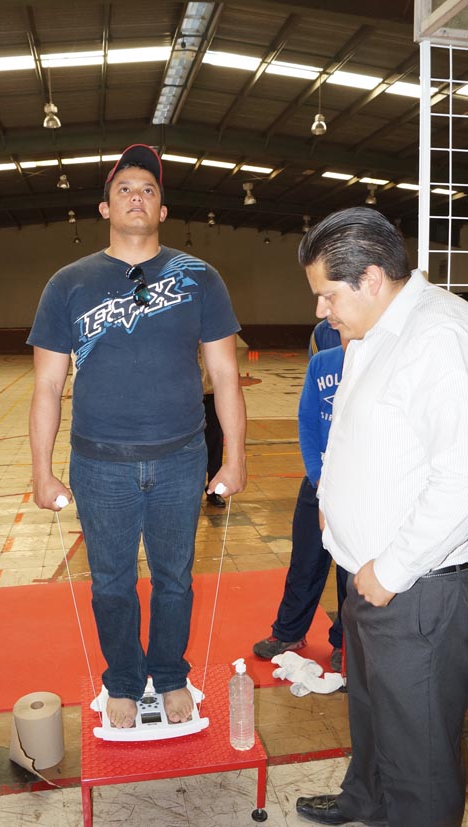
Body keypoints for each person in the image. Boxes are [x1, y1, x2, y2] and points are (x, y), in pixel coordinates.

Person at [28, 144, 246, 729]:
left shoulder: (199, 278)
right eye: (125, 188)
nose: (136, 197)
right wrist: (41, 471)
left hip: (181, 459)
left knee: (175, 578)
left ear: (163, 209)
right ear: (104, 207)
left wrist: (237, 457)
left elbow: (224, 373)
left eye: (148, 189)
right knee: (111, 584)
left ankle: (171, 675)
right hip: (100, 465)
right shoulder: (68, 284)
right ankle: (123, 680)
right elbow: (48, 385)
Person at [294, 207, 468, 827]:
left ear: (370, 279)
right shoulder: (375, 331)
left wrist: (391, 569)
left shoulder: (439, 337)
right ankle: (363, 798)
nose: (321, 310)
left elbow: (461, 479)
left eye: (327, 294)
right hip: (367, 574)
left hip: (411, 585)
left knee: (417, 751)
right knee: (371, 711)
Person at [252, 330, 347, 671]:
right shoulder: (322, 356)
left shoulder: (381, 357)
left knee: (350, 569)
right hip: (319, 481)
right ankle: (289, 632)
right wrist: (317, 474)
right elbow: (307, 420)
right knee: (305, 559)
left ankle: (346, 641)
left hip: (359, 485)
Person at [199, 346, 226, 507]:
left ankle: (214, 489)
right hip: (187, 395)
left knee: (215, 442)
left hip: (212, 394)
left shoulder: (211, 330)